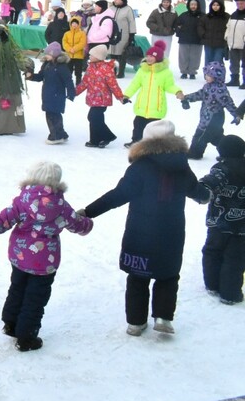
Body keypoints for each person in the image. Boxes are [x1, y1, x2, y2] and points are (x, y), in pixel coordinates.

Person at [81, 120, 202, 337]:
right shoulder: (181, 166)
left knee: (137, 278)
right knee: (168, 275)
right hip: (171, 233)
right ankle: (163, 317)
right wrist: (206, 195)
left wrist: (88, 211)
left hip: (140, 233)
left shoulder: (140, 167)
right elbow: (196, 190)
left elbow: (118, 195)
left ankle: (135, 323)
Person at [0, 161, 93, 352]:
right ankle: (26, 337)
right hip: (45, 263)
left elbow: (1, 221)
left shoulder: (22, 201)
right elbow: (79, 225)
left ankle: (10, 323)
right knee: (36, 298)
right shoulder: (62, 207)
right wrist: (87, 223)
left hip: (20, 257)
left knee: (17, 288)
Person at [195, 134, 245, 305]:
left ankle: (213, 285)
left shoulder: (222, 168)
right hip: (242, 226)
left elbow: (209, 183)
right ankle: (230, 294)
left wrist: (200, 191)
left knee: (212, 252)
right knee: (235, 259)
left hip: (218, 222)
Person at [123, 41, 184, 147]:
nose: (149, 58)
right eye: (148, 56)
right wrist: (126, 95)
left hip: (156, 106)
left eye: (152, 56)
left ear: (158, 58)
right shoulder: (142, 70)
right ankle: (136, 141)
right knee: (138, 124)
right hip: (142, 105)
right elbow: (135, 84)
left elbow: (169, 86)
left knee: (153, 128)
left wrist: (177, 91)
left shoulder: (165, 72)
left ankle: (152, 145)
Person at [180, 61, 239, 160]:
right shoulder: (207, 86)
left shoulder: (220, 90)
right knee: (216, 138)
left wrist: (236, 114)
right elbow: (199, 94)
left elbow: (228, 103)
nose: (206, 77)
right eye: (206, 75)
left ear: (217, 76)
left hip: (213, 118)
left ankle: (195, 153)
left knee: (200, 135)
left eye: (209, 75)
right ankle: (230, 152)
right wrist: (187, 98)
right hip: (206, 117)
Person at [76, 45, 127, 148]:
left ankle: (108, 136)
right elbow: (84, 83)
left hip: (102, 99)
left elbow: (113, 85)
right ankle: (95, 140)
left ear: (98, 56)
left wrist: (121, 97)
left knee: (93, 117)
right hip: (92, 98)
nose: (89, 56)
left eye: (91, 55)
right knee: (95, 119)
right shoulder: (90, 68)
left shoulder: (106, 69)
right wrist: (74, 92)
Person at [26, 42, 76, 145]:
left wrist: (71, 92)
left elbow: (68, 80)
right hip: (47, 94)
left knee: (53, 115)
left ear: (54, 54)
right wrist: (31, 76)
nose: (46, 55)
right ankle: (61, 134)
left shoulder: (62, 67)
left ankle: (56, 136)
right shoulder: (47, 64)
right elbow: (41, 76)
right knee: (51, 114)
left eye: (48, 54)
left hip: (58, 95)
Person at [109, 0, 138, 78]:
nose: (115, 0)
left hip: (123, 35)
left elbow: (132, 22)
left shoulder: (128, 9)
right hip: (112, 34)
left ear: (122, 0)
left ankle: (121, 72)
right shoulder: (111, 8)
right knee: (112, 53)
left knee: (121, 53)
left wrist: (132, 34)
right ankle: (112, 71)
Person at [174, 0, 204, 79]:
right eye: (191, 4)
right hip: (184, 39)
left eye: (195, 5)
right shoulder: (183, 15)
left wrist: (202, 35)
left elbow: (206, 26)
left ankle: (192, 72)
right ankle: (184, 72)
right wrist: (179, 32)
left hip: (197, 40)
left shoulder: (202, 16)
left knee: (195, 57)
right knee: (183, 57)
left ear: (198, 5)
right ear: (189, 5)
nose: (193, 6)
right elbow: (176, 25)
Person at [201, 0, 230, 67]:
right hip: (208, 42)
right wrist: (203, 34)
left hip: (220, 44)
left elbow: (229, 28)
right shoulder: (206, 17)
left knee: (218, 61)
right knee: (208, 61)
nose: (215, 7)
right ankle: (208, 73)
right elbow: (200, 26)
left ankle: (218, 73)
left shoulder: (226, 17)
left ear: (221, 6)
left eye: (217, 5)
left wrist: (226, 37)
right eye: (213, 5)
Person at [225, 0, 245, 87]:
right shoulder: (233, 15)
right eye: (238, 3)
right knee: (233, 63)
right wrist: (227, 37)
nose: (239, 5)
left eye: (242, 3)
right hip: (233, 43)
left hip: (243, 44)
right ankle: (234, 79)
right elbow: (228, 27)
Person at [62, 17, 87, 86]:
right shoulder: (67, 33)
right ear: (70, 24)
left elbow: (82, 43)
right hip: (69, 56)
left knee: (78, 72)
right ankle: (69, 84)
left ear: (79, 24)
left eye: (76, 23)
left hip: (79, 56)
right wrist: (70, 49)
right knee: (68, 71)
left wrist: (74, 49)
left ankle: (78, 84)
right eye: (73, 23)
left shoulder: (82, 33)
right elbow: (64, 43)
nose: (74, 24)